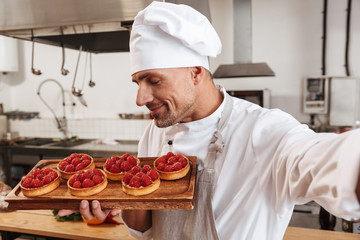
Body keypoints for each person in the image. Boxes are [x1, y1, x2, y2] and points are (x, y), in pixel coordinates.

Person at [60, 1, 360, 239]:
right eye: (137, 82)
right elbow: (145, 228)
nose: (141, 98)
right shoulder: (155, 133)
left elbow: (322, 159)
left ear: (196, 72)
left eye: (153, 80)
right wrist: (121, 201)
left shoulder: (265, 130)